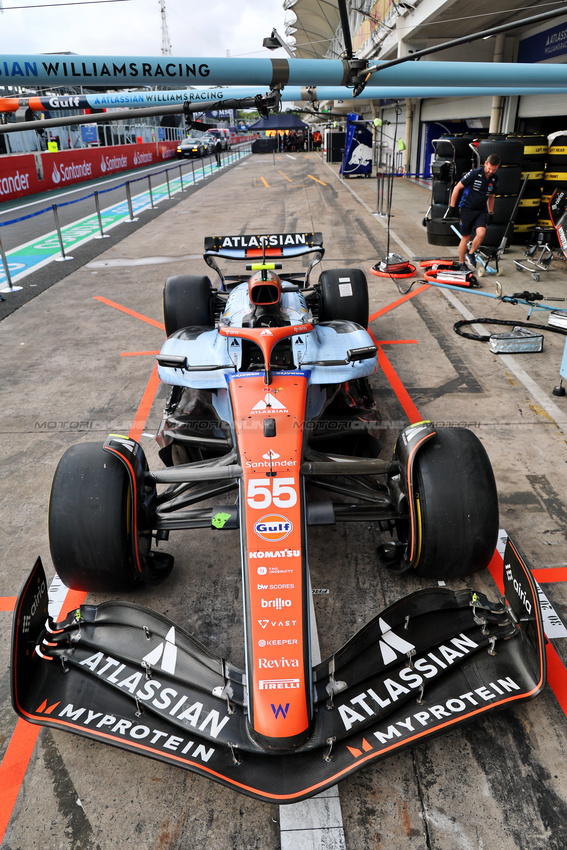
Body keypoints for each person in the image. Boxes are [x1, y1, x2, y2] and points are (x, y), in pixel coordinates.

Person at [446, 153, 500, 271]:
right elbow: (457, 188)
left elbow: (491, 197)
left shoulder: (494, 179)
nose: (491, 171)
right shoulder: (474, 173)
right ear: (485, 163)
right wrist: (452, 207)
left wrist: (491, 212)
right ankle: (461, 263)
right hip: (467, 209)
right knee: (465, 237)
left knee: (481, 233)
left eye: (494, 169)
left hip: (481, 210)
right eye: (489, 168)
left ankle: (470, 253)